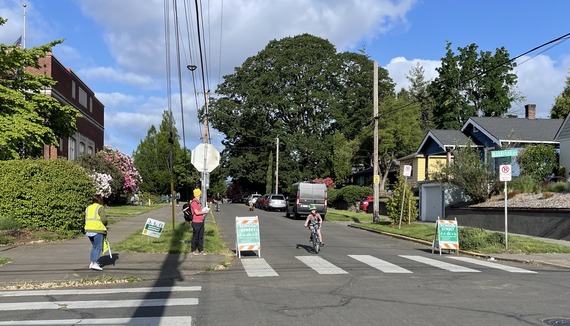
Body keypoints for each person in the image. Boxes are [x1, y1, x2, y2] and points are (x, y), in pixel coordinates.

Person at [84, 195, 108, 271]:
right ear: (100, 200)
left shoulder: (88, 208)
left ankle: (92, 262)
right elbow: (104, 220)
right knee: (98, 246)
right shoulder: (100, 208)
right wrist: (106, 223)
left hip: (88, 229)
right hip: (97, 229)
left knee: (94, 246)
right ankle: (94, 263)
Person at [190, 188, 210, 255]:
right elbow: (196, 212)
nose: (201, 195)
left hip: (200, 221)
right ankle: (193, 250)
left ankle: (201, 249)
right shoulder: (194, 202)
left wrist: (203, 211)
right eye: (200, 194)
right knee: (195, 236)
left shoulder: (198, 202)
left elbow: (199, 211)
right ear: (198, 194)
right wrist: (204, 211)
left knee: (201, 236)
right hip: (196, 222)